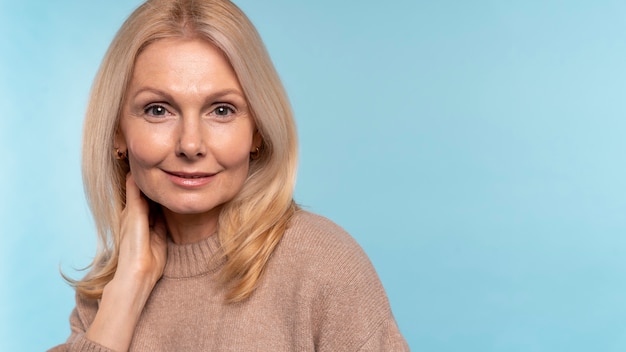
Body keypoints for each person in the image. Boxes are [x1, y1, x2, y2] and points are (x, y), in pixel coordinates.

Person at [49, 0, 409, 350]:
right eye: (158, 110)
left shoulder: (324, 266)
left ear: (257, 130)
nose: (190, 145)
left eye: (222, 110)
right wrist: (127, 291)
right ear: (117, 134)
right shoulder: (107, 290)